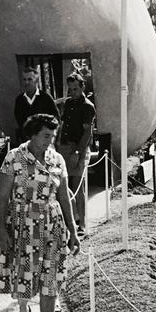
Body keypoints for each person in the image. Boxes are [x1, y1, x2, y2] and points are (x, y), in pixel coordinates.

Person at [0, 114, 80, 312]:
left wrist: (73, 229)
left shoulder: (57, 160)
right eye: (46, 136)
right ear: (33, 134)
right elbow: (2, 200)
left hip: (52, 227)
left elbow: (64, 197)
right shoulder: (14, 158)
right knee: (25, 278)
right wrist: (1, 231)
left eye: (53, 136)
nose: (50, 141)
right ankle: (23, 309)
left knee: (50, 286)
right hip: (22, 226)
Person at [56, 73, 96, 236]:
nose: (72, 92)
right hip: (64, 148)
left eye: (75, 89)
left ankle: (83, 223)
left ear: (82, 87)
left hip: (78, 148)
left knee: (78, 187)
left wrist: (78, 153)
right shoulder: (68, 104)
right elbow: (63, 125)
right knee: (63, 187)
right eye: (70, 89)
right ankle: (66, 223)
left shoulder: (87, 106)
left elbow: (87, 133)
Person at [13, 67, 60, 145]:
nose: (26, 82)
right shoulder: (19, 100)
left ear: (36, 81)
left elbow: (56, 119)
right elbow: (20, 122)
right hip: (27, 143)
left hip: (44, 142)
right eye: (24, 80)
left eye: (30, 79)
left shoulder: (46, 98)